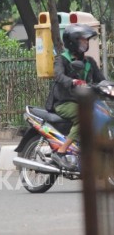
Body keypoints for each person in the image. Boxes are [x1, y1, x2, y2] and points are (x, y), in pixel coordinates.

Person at [49, 23, 105, 171]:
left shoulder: (89, 62)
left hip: (84, 101)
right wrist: (73, 81)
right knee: (85, 116)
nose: (86, 43)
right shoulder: (62, 59)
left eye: (87, 40)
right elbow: (58, 75)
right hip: (64, 102)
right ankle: (61, 151)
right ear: (72, 41)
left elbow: (101, 79)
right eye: (83, 40)